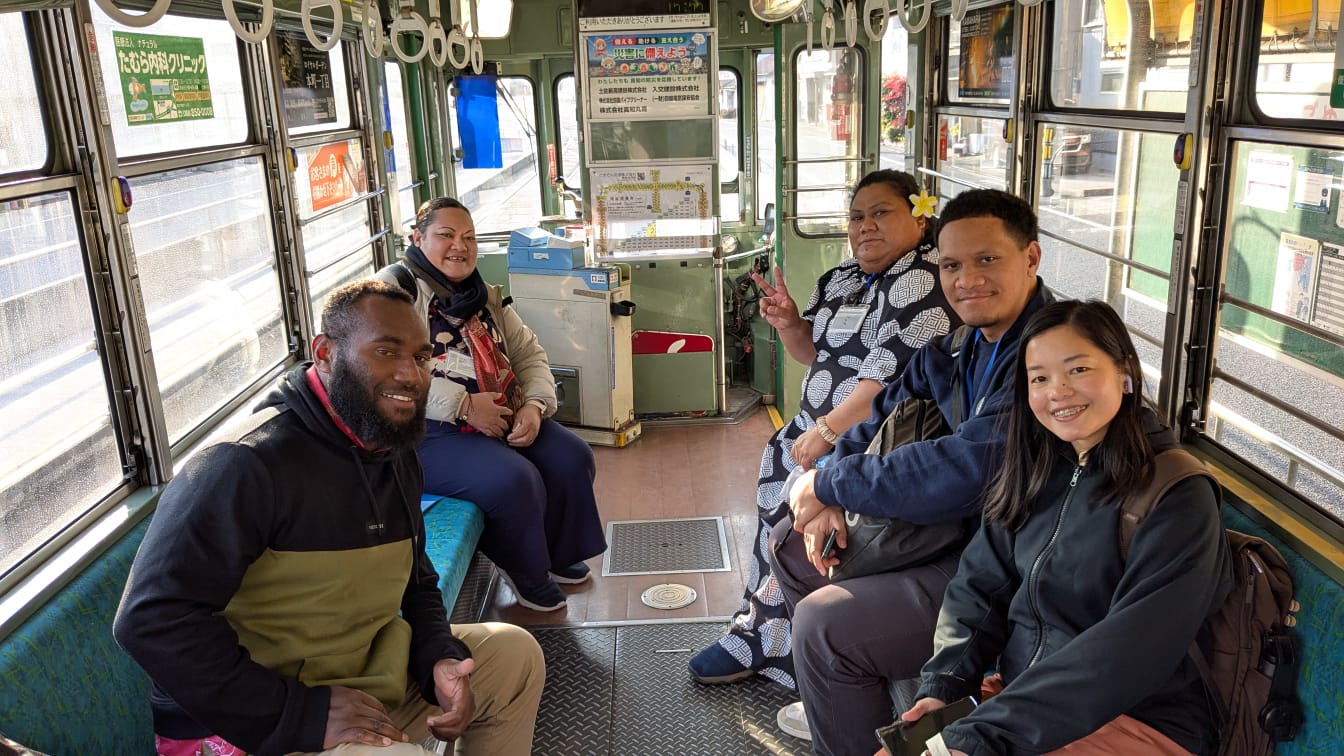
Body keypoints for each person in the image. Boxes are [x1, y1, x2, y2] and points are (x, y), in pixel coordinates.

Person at [114, 279, 545, 755]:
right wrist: (300, 714)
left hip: (359, 678)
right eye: (386, 351)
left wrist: (437, 657)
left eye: (421, 358)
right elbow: (150, 619)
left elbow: (418, 581)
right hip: (255, 719)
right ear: (324, 354)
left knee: (514, 658)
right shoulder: (244, 465)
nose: (411, 375)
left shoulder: (391, 447)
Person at [766, 188, 1055, 754]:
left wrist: (827, 483)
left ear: (1031, 258)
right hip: (958, 537)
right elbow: (882, 411)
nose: (967, 280)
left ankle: (858, 710)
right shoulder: (958, 348)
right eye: (952, 266)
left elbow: (968, 469)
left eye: (987, 259)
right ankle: (857, 707)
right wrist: (829, 484)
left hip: (1011, 565)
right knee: (791, 543)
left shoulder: (1045, 354)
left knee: (823, 628)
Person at [895, 299, 1233, 755]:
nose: (1058, 391)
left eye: (1078, 370)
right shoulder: (1037, 467)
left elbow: (1129, 653)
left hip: (1141, 716)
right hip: (1024, 696)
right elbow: (981, 583)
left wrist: (982, 737)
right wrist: (945, 684)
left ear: (1125, 371)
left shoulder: (1177, 494)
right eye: (1039, 378)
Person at [688, 170, 960, 690]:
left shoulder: (924, 281)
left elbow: (887, 379)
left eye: (881, 213)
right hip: (812, 436)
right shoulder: (842, 279)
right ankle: (760, 632)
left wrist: (828, 435)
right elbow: (813, 355)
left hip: (867, 445)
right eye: (856, 217)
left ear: (920, 219)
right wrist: (791, 323)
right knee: (773, 538)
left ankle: (790, 650)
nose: (865, 226)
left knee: (802, 543)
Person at [378, 197, 606, 613]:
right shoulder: (394, 293)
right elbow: (386, 374)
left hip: (501, 410)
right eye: (446, 235)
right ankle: (525, 570)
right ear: (417, 238)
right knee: (514, 479)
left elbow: (528, 353)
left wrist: (534, 405)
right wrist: (464, 405)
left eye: (469, 237)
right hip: (426, 432)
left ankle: (557, 552)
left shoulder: (480, 295)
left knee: (570, 456)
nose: (459, 246)